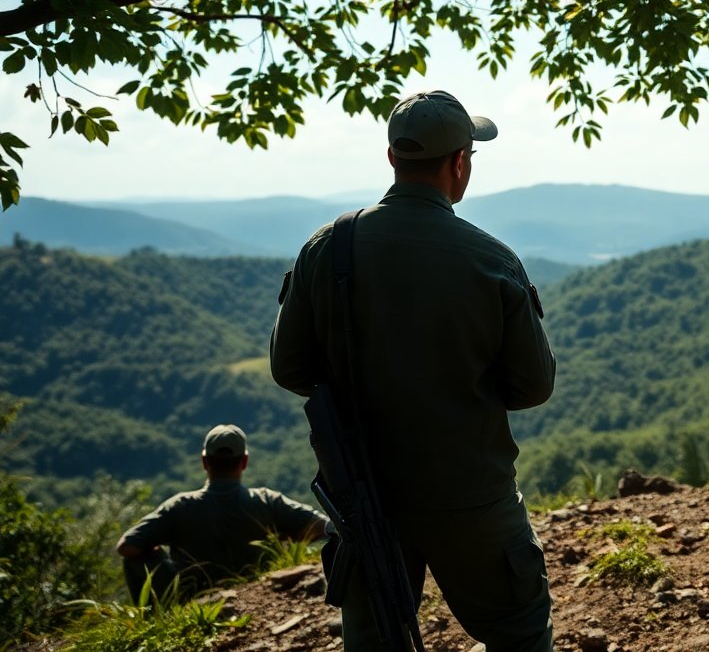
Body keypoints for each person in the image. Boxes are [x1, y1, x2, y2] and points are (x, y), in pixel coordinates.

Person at [270, 90, 556, 652]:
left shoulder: (327, 248)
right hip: (471, 492)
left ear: (392, 158)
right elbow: (532, 386)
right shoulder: (491, 259)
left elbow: (290, 368)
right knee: (519, 635)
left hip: (363, 492)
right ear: (459, 163)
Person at [116, 424, 327, 601]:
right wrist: (289, 541)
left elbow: (127, 546)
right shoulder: (268, 501)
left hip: (192, 600)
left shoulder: (180, 506)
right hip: (258, 596)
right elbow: (323, 525)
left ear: (204, 462)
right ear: (244, 462)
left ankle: (155, 615)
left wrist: (158, 552)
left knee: (135, 560)